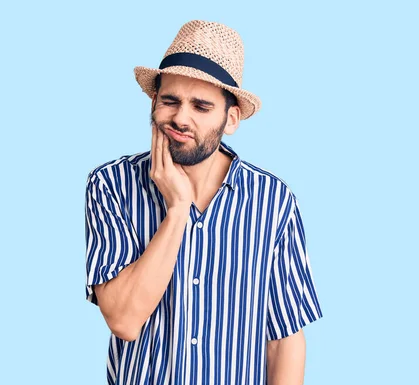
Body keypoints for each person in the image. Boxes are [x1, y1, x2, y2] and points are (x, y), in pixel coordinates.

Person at [84, 20, 323, 385]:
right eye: (170, 100)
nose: (181, 118)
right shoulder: (111, 185)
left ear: (231, 119)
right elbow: (124, 321)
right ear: (154, 102)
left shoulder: (273, 202)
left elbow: (284, 339)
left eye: (201, 106)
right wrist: (178, 210)